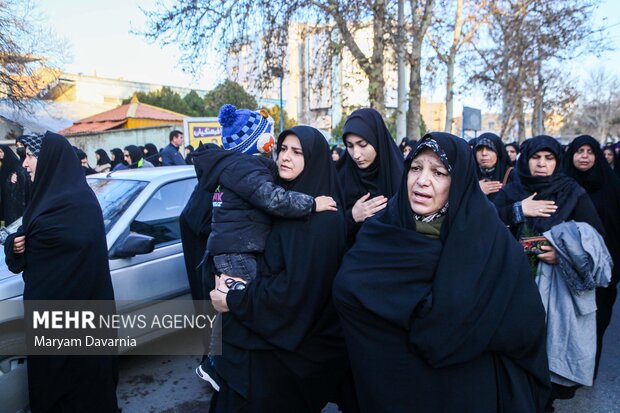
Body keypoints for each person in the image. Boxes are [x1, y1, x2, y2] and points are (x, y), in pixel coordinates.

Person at [333, 132, 550, 412]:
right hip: (391, 387)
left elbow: (523, 321)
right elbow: (348, 289)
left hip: (465, 389)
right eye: (415, 168)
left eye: (439, 172)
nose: (422, 180)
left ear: (458, 180)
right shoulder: (383, 229)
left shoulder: (487, 237)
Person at [209, 125, 354, 413]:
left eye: (297, 152)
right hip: (265, 342)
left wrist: (234, 297)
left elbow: (294, 294)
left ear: (314, 160)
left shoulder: (322, 220)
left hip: (286, 360)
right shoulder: (281, 203)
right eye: (283, 149)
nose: (286, 157)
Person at [4, 131, 119, 412]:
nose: (26, 164)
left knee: (81, 387)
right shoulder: (45, 199)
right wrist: (15, 245)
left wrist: (30, 243)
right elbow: (24, 234)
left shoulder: (79, 203)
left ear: (51, 159)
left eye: (30, 156)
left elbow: (69, 249)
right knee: (52, 384)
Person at [492, 135, 607, 410]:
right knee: (514, 359)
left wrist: (561, 254)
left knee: (548, 358)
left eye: (549, 158)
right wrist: (519, 210)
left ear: (557, 161)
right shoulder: (511, 192)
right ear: (525, 159)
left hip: (557, 292)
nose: (541, 164)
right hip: (514, 287)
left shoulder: (572, 192)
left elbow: (596, 241)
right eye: (535, 157)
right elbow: (485, 229)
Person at [562, 135, 620, 378]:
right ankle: (564, 372)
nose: (584, 156)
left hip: (602, 273)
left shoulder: (613, 186)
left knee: (597, 323)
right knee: (568, 323)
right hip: (565, 269)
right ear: (571, 155)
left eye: (590, 151)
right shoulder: (561, 185)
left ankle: (586, 372)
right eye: (579, 151)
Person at [336, 108, 403, 246]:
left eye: (362, 145)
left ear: (377, 140)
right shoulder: (339, 176)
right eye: (349, 146)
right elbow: (325, 230)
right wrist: (352, 217)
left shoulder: (401, 176)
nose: (356, 154)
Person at [474, 132, 514, 200]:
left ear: (498, 152)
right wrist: (475, 191)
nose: (484, 153)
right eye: (479, 149)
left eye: (490, 149)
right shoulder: (467, 174)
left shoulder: (511, 175)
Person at [0, 143, 28, 225]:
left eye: (1, 152)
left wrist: (13, 175)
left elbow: (19, 172)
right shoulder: (2, 163)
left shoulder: (14, 162)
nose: (0, 154)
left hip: (13, 194)